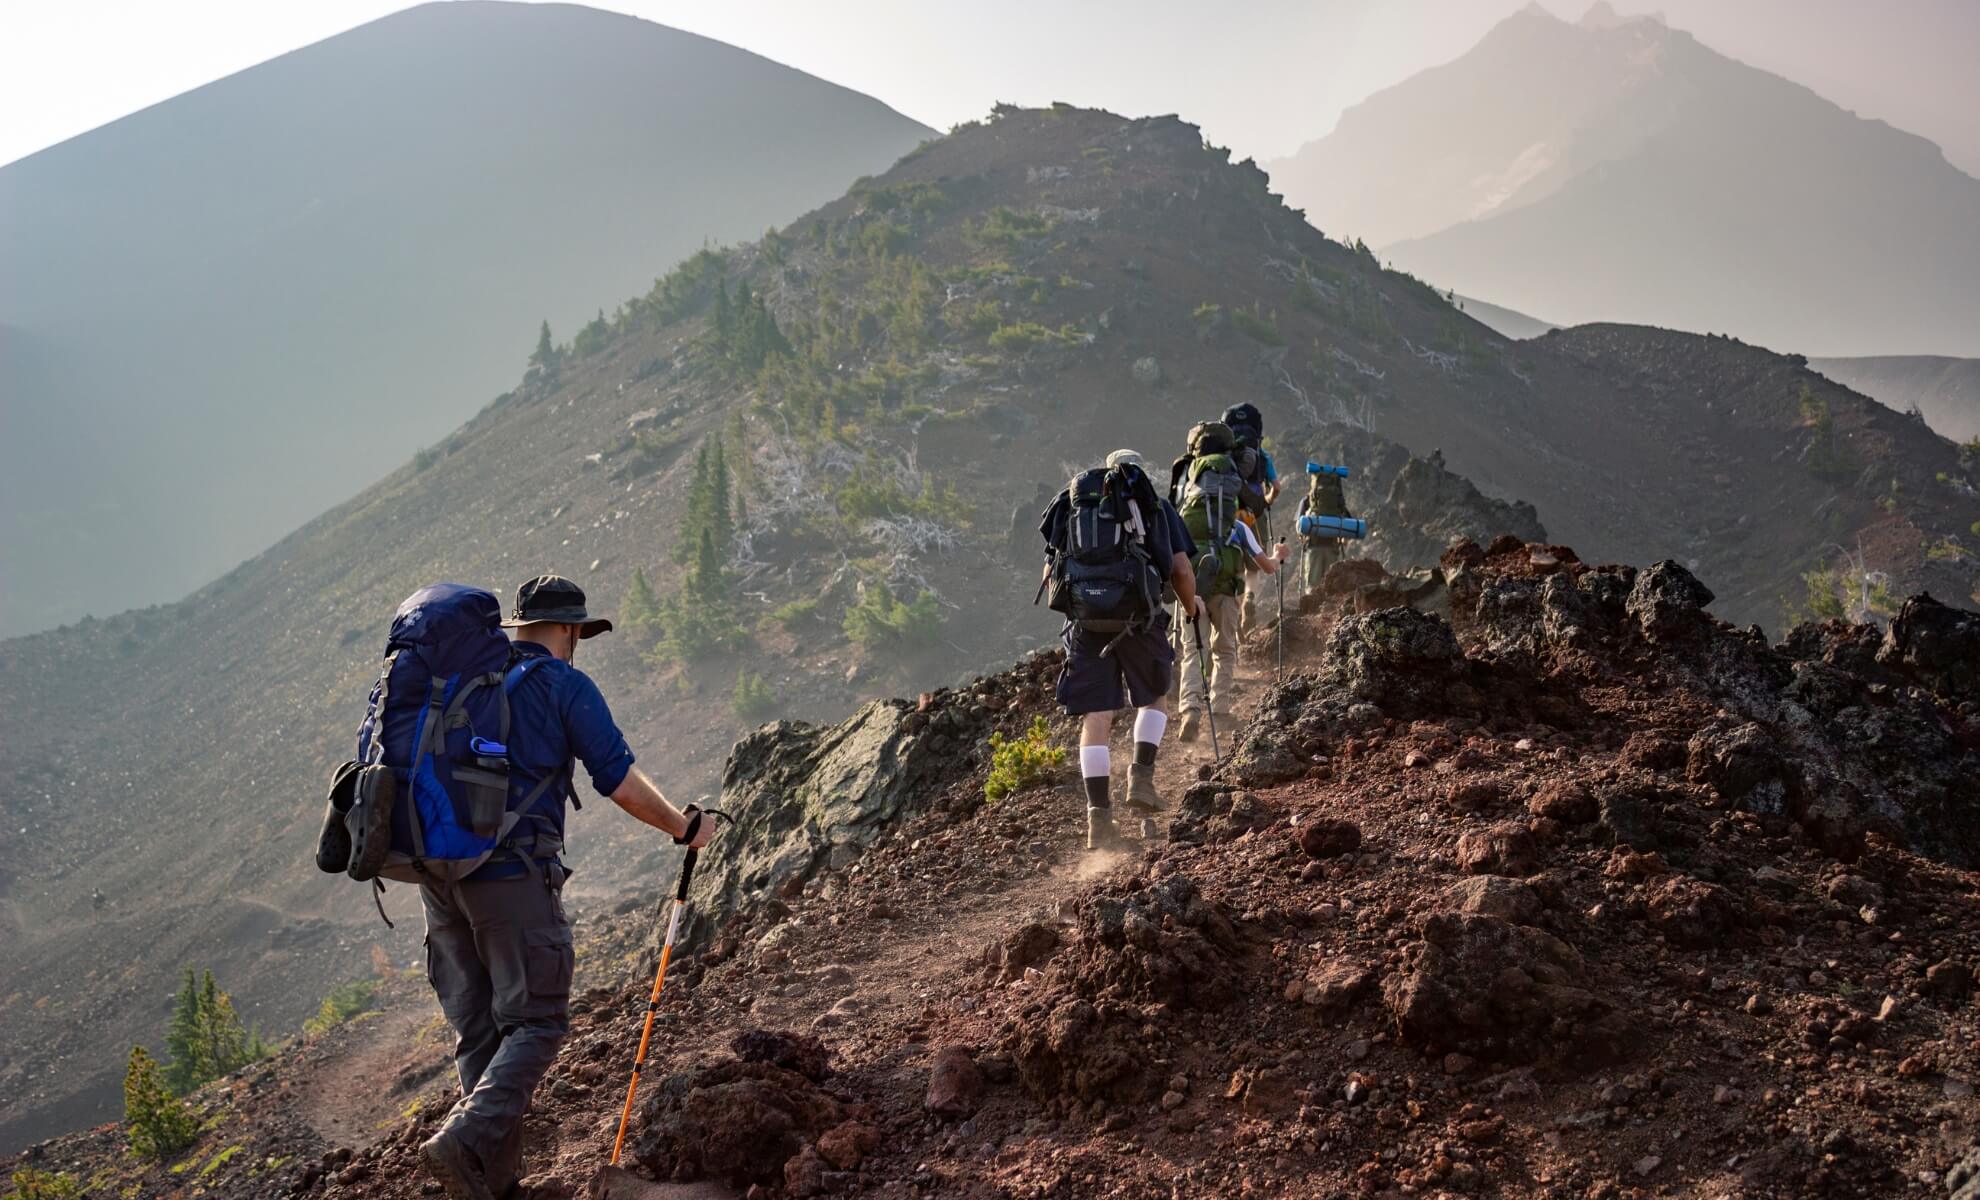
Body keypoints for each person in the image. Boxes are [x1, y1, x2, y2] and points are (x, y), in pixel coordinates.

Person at [419, 575, 718, 1200]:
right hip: (510, 877)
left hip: (437, 879)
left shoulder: (464, 684)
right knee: (538, 1022)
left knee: (481, 1033)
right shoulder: (562, 685)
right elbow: (620, 780)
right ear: (571, 631)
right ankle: (467, 1139)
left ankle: (491, 1187)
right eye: (579, 632)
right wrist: (684, 827)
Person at [1040, 450, 1203, 850]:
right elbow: (1181, 570)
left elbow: (1051, 573)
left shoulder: (1071, 506)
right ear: (1138, 472)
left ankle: (1099, 821)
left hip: (1087, 626)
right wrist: (1190, 606)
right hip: (1139, 620)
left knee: (1096, 717)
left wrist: (1085, 604)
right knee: (1153, 699)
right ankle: (1141, 779)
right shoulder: (1154, 505)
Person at [1172, 426, 1289, 741]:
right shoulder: (1237, 525)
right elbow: (1266, 567)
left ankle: (1190, 711)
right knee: (1223, 650)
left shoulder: (1183, 522)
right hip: (1226, 591)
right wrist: (1279, 555)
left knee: (1191, 651)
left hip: (1191, 592)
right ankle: (1219, 710)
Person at [1222, 404, 1281, 632]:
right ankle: (1250, 599)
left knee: (1233, 565)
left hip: (1229, 513)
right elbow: (1276, 487)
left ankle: (1234, 609)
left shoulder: (1224, 455)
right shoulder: (1261, 454)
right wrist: (1266, 501)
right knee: (1253, 566)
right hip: (1254, 514)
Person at [1297, 462, 1355, 597]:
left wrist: (1303, 536)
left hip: (1314, 547)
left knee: (1312, 587)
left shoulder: (1308, 500)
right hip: (1332, 548)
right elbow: (1347, 523)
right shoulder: (1338, 502)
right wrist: (1343, 539)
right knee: (1333, 587)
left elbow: (1299, 526)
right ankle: (1328, 614)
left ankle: (1310, 614)